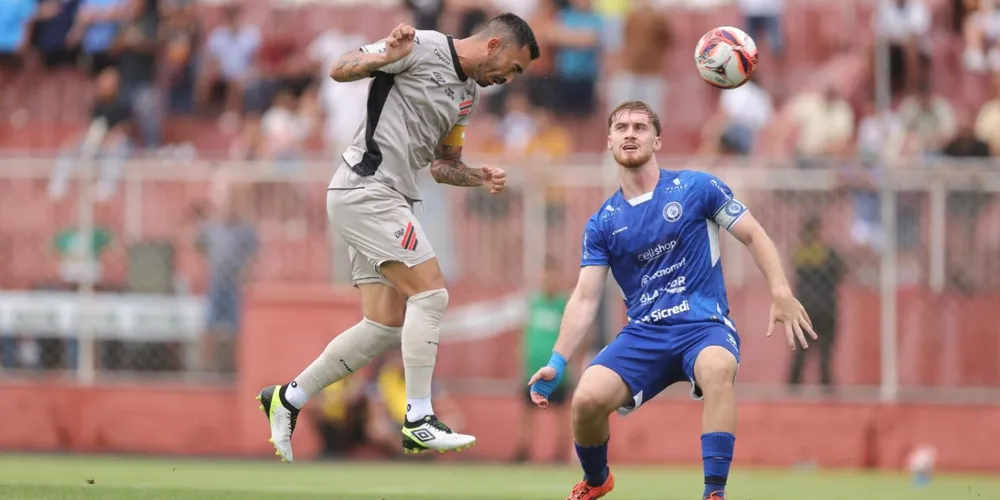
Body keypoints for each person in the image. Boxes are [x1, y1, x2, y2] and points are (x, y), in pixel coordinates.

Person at [256, 15, 540, 462]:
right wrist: (384, 56)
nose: (510, 78)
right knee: (431, 294)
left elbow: (443, 165)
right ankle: (419, 417)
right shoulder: (421, 46)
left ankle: (288, 398)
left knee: (383, 326)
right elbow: (340, 67)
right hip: (366, 188)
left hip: (386, 199)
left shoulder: (467, 95)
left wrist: (477, 176)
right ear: (494, 45)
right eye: (515, 67)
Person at [528, 100, 816, 500]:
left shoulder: (697, 188)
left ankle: (714, 493)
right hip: (644, 334)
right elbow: (585, 298)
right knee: (586, 399)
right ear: (609, 141)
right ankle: (596, 481)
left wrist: (780, 291)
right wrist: (557, 361)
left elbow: (754, 234)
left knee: (717, 368)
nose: (630, 134)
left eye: (640, 127)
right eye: (621, 127)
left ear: (657, 140)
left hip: (703, 326)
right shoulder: (603, 223)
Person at [513, 257, 572, 462]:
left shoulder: (565, 305)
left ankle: (561, 453)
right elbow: (525, 334)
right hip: (532, 369)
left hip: (557, 370)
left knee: (561, 411)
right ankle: (523, 451)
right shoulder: (533, 303)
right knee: (527, 411)